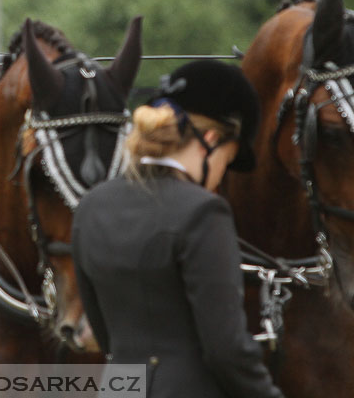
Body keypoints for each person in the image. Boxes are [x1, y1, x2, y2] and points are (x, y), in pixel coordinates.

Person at [71, 60, 284, 398]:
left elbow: (104, 331)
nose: (220, 176)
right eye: (226, 161)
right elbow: (226, 348)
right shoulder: (203, 212)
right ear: (210, 141)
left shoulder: (92, 206)